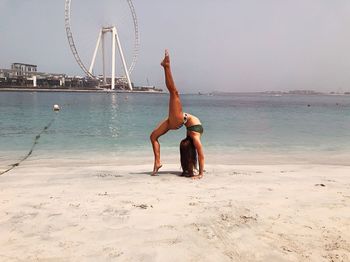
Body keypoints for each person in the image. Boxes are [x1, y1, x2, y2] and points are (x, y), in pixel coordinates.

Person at [150, 50, 205, 179]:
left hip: (179, 120)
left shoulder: (194, 137)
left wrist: (201, 174)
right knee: (153, 136)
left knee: (174, 92)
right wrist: (200, 172)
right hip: (176, 121)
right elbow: (200, 155)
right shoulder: (193, 137)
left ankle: (166, 66)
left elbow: (201, 155)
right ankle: (157, 162)